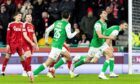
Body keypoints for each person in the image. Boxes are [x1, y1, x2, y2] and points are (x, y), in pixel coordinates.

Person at [33, 10, 79, 80]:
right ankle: (34, 73)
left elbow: (47, 30)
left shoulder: (57, 22)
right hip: (57, 47)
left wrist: (46, 41)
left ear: (62, 16)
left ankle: (53, 69)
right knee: (47, 63)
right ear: (69, 17)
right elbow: (69, 36)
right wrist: (76, 32)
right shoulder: (67, 24)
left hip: (57, 45)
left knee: (68, 56)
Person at [71, 9, 115, 79]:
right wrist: (110, 37)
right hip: (95, 45)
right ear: (100, 15)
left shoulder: (105, 24)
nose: (106, 14)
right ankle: (78, 58)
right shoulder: (97, 24)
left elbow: (105, 35)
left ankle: (105, 73)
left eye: (106, 13)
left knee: (110, 54)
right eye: (104, 13)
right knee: (89, 60)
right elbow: (100, 35)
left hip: (102, 45)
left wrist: (110, 45)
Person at [22, 14, 39, 82]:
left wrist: (36, 44)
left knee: (29, 57)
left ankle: (27, 71)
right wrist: (31, 42)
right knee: (28, 55)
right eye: (28, 17)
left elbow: (34, 35)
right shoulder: (24, 25)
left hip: (30, 44)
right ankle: (27, 71)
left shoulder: (32, 25)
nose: (29, 18)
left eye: (30, 17)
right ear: (25, 18)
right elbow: (25, 35)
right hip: (24, 43)